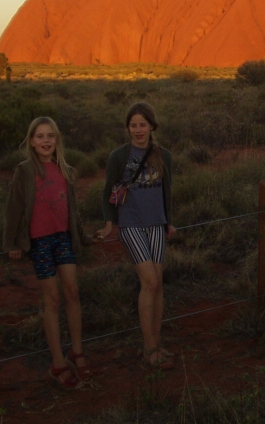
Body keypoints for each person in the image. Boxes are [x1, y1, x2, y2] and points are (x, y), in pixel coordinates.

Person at [3, 117, 94, 390]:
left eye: (50, 135)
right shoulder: (24, 171)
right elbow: (14, 207)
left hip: (63, 238)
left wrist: (83, 237)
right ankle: (58, 363)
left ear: (57, 140)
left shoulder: (64, 169)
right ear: (31, 141)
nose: (46, 140)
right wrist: (12, 243)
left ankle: (77, 352)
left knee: (72, 292)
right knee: (52, 300)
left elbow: (73, 209)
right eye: (40, 136)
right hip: (40, 242)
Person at [97, 102, 177, 369]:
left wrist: (169, 222)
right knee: (150, 282)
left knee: (158, 284)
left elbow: (167, 191)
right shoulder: (119, 156)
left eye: (143, 124)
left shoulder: (163, 155)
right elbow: (108, 190)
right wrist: (109, 223)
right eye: (133, 125)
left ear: (152, 126)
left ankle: (156, 343)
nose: (138, 130)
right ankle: (149, 348)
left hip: (157, 223)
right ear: (128, 128)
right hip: (130, 224)